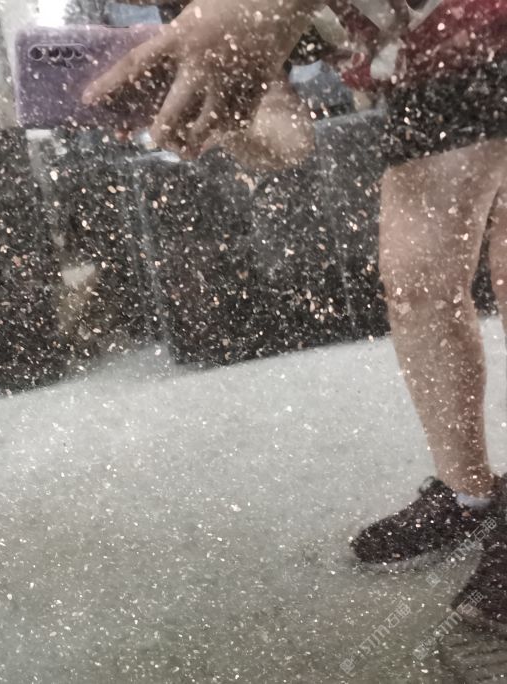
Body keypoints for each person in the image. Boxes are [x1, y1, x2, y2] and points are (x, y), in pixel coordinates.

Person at [84, 0, 507, 633]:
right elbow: (285, 140)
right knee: (416, 279)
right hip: (426, 59)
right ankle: (468, 493)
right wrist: (224, 121)